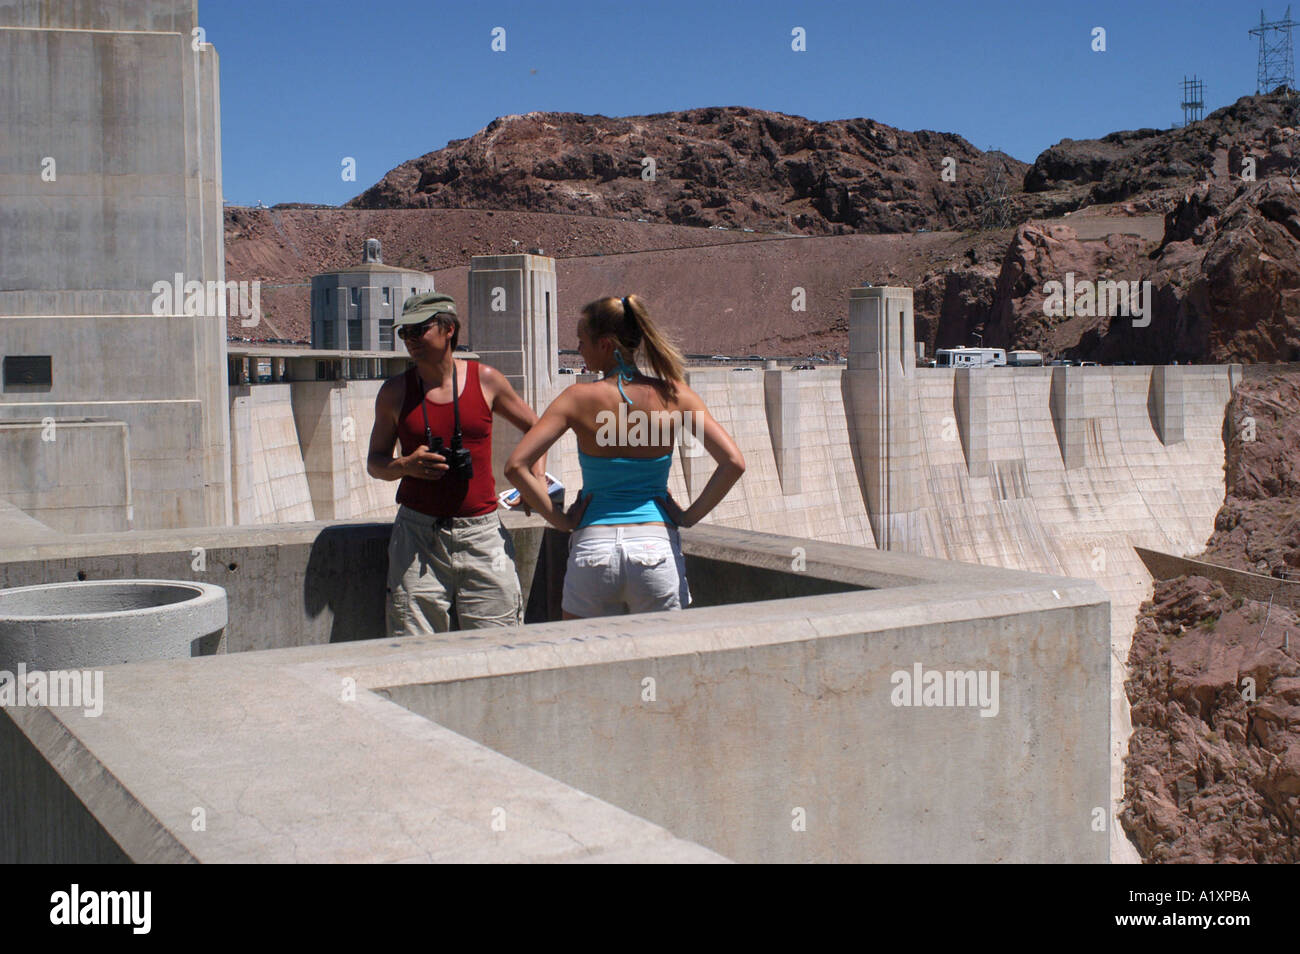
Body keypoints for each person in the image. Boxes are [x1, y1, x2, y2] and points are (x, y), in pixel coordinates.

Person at [505, 295, 745, 618]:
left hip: (593, 551)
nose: (579, 351)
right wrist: (688, 517)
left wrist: (561, 521)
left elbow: (516, 465)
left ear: (605, 345)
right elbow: (733, 463)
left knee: (585, 661)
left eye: (582, 341)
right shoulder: (674, 395)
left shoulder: (577, 398)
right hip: (654, 548)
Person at [367, 292, 546, 635]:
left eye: (420, 330)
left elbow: (537, 428)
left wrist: (535, 482)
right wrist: (405, 465)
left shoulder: (486, 379)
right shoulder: (394, 392)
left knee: (499, 643)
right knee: (414, 647)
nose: (411, 340)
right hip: (417, 537)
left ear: (449, 329)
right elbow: (375, 462)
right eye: (405, 333)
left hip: (482, 535)